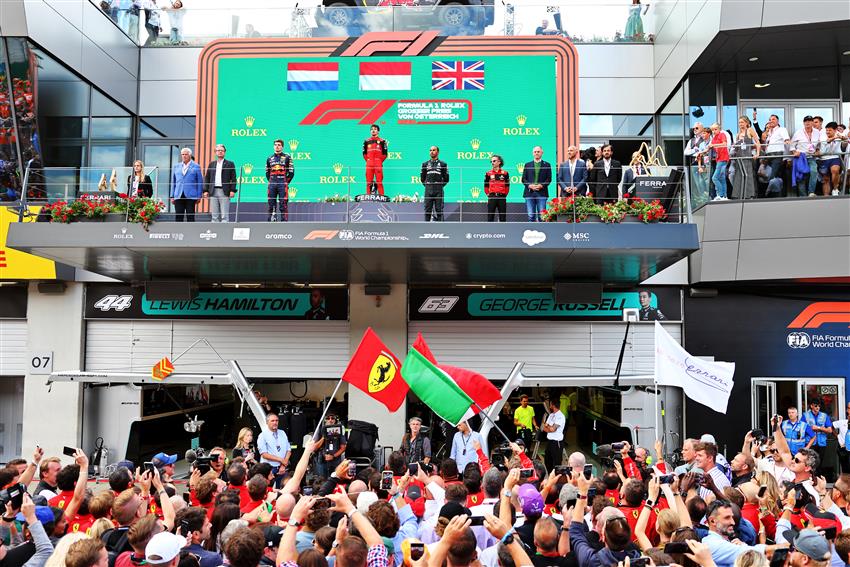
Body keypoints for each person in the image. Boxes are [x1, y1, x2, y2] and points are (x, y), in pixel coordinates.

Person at [203, 144, 237, 223]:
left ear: (225, 152)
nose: (220, 152)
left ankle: (225, 232)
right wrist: (205, 190)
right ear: (215, 152)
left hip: (224, 191)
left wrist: (232, 190)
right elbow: (207, 177)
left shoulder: (230, 164)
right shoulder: (212, 164)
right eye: (218, 150)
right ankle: (215, 233)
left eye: (222, 150)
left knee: (224, 215)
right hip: (213, 191)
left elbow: (233, 178)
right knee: (214, 215)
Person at [791, 116, 822, 198]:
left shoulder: (817, 132)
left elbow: (819, 144)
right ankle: (803, 196)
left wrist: (818, 150)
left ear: (812, 123)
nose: (807, 123)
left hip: (811, 156)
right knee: (801, 176)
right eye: (805, 121)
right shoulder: (798, 132)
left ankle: (811, 192)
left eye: (809, 121)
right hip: (800, 157)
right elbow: (792, 145)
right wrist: (795, 152)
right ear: (803, 123)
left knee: (814, 171)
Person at [257, 412, 291, 487]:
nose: (275, 422)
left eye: (276, 420)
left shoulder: (282, 433)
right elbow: (264, 454)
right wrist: (281, 460)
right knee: (268, 490)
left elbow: (288, 450)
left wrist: (283, 465)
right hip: (269, 469)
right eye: (272, 421)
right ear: (267, 422)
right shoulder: (262, 436)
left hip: (282, 468)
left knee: (282, 490)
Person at [170, 147, 203, 222]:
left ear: (190, 155)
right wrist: (172, 195)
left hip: (191, 195)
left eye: (186, 154)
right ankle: (178, 233)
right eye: (182, 154)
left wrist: (199, 196)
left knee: (190, 217)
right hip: (178, 194)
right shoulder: (176, 166)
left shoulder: (196, 166)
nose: (184, 156)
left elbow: (200, 182)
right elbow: (173, 182)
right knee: (178, 217)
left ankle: (191, 232)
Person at [731, 116, 760, 200]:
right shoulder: (738, 134)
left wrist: (757, 153)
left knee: (748, 175)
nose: (740, 124)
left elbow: (757, 142)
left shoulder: (750, 130)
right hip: (739, 158)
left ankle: (749, 195)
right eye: (739, 122)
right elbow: (736, 148)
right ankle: (739, 195)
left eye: (742, 122)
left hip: (747, 157)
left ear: (747, 123)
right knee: (738, 175)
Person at [265, 139, 294, 222]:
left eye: (279, 145)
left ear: (282, 147)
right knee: (271, 204)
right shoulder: (269, 158)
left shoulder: (287, 157)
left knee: (283, 204)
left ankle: (284, 223)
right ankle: (271, 222)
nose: (277, 146)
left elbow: (291, 172)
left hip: (282, 183)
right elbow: (267, 173)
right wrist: (272, 181)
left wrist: (285, 182)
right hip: (272, 184)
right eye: (275, 145)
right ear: (273, 146)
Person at [520, 146, 551, 222]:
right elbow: (523, 179)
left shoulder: (547, 164)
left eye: (538, 152)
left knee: (542, 216)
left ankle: (541, 232)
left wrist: (541, 185)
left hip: (542, 193)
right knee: (531, 215)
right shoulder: (527, 165)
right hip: (529, 193)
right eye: (535, 152)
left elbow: (549, 179)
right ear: (532, 153)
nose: (536, 153)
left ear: (542, 153)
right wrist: (530, 185)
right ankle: (531, 233)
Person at [803, 399, 833, 472]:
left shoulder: (824, 416)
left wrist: (819, 428)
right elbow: (801, 429)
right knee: (810, 462)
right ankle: (811, 479)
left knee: (819, 463)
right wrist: (811, 429)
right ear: (811, 406)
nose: (818, 407)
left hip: (821, 443)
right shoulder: (805, 415)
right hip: (810, 442)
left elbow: (830, 430)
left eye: (819, 406)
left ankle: (818, 480)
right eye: (816, 406)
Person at [420, 145, 449, 222]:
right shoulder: (424, 164)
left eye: (433, 150)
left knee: (439, 210)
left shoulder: (443, 164)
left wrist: (439, 185)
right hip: (428, 189)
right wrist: (428, 185)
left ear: (438, 152)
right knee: (427, 210)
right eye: (430, 150)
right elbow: (422, 179)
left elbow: (446, 179)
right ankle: (426, 228)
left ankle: (441, 229)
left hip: (438, 190)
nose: (431, 152)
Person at [819, 122, 847, 196]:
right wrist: (836, 137)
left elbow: (845, 141)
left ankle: (835, 189)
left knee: (835, 170)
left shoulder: (840, 134)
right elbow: (828, 140)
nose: (827, 132)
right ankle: (826, 197)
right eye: (827, 130)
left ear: (835, 130)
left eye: (830, 130)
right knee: (826, 179)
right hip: (824, 158)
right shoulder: (822, 135)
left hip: (835, 157)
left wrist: (843, 138)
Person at [315, 412, 347, 478]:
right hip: (322, 459)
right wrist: (324, 436)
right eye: (328, 418)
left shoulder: (339, 429)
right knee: (322, 480)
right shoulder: (320, 429)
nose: (330, 420)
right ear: (325, 420)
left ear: (335, 420)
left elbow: (343, 447)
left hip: (336, 460)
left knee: (335, 479)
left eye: (332, 418)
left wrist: (333, 456)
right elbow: (315, 447)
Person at [541, 398, 565, 473]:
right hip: (550, 442)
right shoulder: (551, 415)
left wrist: (548, 427)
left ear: (552, 405)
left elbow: (552, 429)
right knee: (547, 460)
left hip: (557, 442)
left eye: (550, 404)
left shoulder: (560, 416)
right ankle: (550, 475)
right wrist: (548, 427)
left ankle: (557, 479)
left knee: (557, 462)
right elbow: (543, 428)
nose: (549, 405)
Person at [363, 124, 388, 195]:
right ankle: (368, 197)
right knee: (368, 182)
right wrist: (369, 160)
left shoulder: (382, 141)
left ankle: (382, 197)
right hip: (369, 164)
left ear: (378, 131)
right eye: (372, 129)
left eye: (375, 129)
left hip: (378, 164)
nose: (373, 130)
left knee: (379, 182)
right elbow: (364, 154)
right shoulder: (366, 141)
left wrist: (379, 161)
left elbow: (385, 154)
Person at [484, 154, 509, 222]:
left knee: (503, 217)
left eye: (494, 161)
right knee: (490, 217)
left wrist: (504, 195)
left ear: (499, 162)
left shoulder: (505, 173)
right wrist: (488, 194)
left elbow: (507, 186)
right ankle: (490, 232)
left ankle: (503, 232)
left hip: (502, 197)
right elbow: (486, 186)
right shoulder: (488, 173)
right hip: (492, 197)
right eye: (491, 161)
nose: (492, 163)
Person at [708, 123, 730, 201]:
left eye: (715, 129)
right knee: (721, 178)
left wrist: (713, 145)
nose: (714, 131)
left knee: (714, 178)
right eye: (712, 130)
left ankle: (720, 195)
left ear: (719, 129)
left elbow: (724, 144)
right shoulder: (714, 138)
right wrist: (700, 153)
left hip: (723, 158)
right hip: (719, 159)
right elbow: (709, 147)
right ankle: (724, 196)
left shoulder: (722, 134)